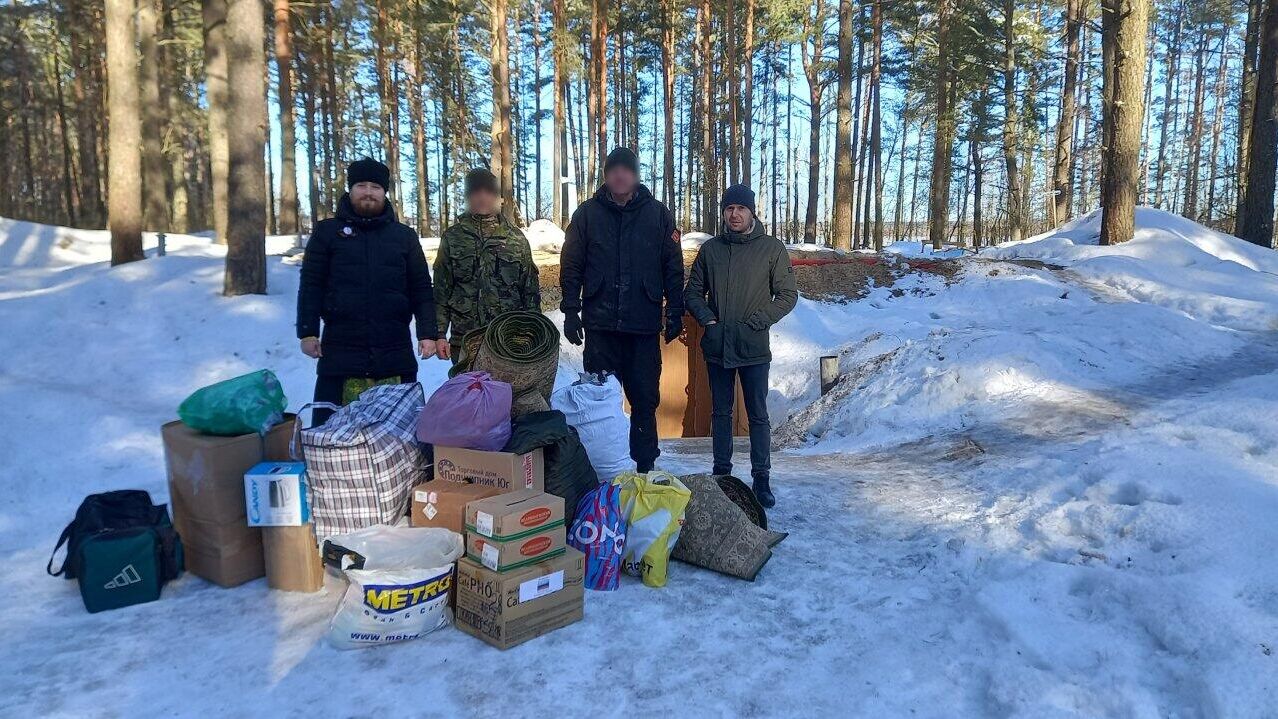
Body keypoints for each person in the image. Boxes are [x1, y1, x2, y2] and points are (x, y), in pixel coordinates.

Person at [560, 147, 684, 473]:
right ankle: (600, 472)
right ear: (606, 175)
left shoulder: (658, 214)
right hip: (600, 329)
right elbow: (571, 265)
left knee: (644, 402)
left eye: (626, 169)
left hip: (642, 328)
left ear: (635, 175)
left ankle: (644, 469)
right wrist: (571, 310)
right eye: (613, 169)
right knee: (599, 403)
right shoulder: (587, 214)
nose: (620, 175)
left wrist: (674, 311)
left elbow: (672, 266)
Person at [296, 157, 439, 425]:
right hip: (340, 350)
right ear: (350, 189)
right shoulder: (328, 233)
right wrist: (307, 331)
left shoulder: (404, 237)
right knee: (332, 431)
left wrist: (428, 333)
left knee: (399, 432)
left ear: (385, 192)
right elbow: (311, 284)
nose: (369, 192)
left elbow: (420, 287)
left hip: (394, 349)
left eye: (375, 186)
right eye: (361, 185)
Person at [684, 184, 797, 507]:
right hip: (718, 346)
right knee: (721, 413)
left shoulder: (771, 249)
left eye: (741, 208)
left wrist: (757, 322)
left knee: (758, 415)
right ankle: (722, 476)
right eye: (729, 208)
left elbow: (787, 295)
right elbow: (692, 292)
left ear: (752, 213)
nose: (734, 214)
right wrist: (708, 320)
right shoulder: (712, 251)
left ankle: (761, 479)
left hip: (753, 348)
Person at [433, 168, 540, 363]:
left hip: (507, 340)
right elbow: (441, 290)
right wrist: (439, 334)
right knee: (468, 393)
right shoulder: (452, 238)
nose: (482, 196)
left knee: (508, 393)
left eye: (488, 191)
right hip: (465, 339)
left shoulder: (515, 239)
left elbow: (530, 291)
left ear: (497, 197)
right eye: (476, 191)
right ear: (467, 196)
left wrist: (533, 333)